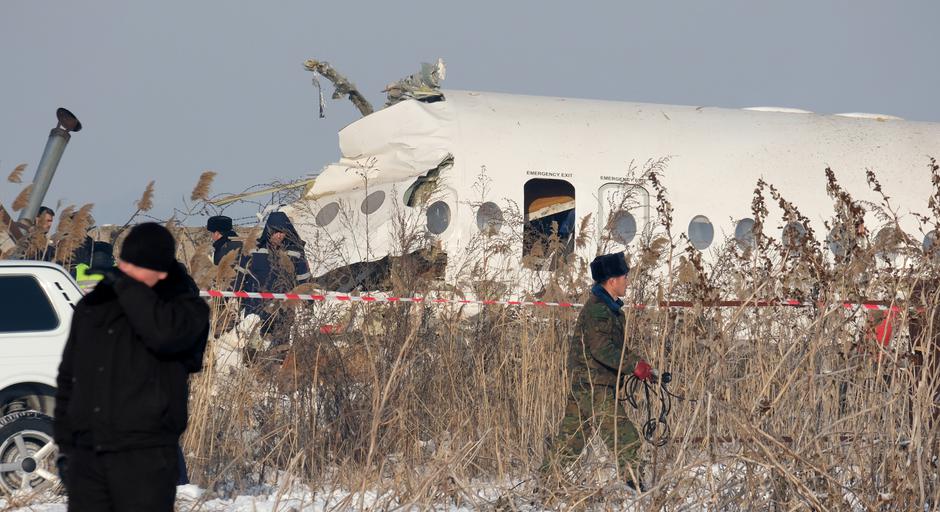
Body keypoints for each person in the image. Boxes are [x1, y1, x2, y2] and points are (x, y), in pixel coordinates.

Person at [53, 223, 209, 511]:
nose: (127, 273)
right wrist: (66, 446)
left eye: (138, 268)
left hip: (145, 455)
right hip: (88, 455)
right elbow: (69, 377)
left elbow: (164, 335)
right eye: (127, 265)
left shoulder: (184, 310)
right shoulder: (94, 308)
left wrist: (127, 286)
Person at [543, 252, 655, 490]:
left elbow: (617, 348)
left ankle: (545, 485)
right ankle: (634, 488)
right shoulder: (599, 310)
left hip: (587, 383)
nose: (627, 281)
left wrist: (642, 366)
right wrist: (633, 366)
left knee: (572, 440)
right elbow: (601, 349)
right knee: (627, 438)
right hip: (594, 385)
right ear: (612, 280)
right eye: (624, 276)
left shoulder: (609, 308)